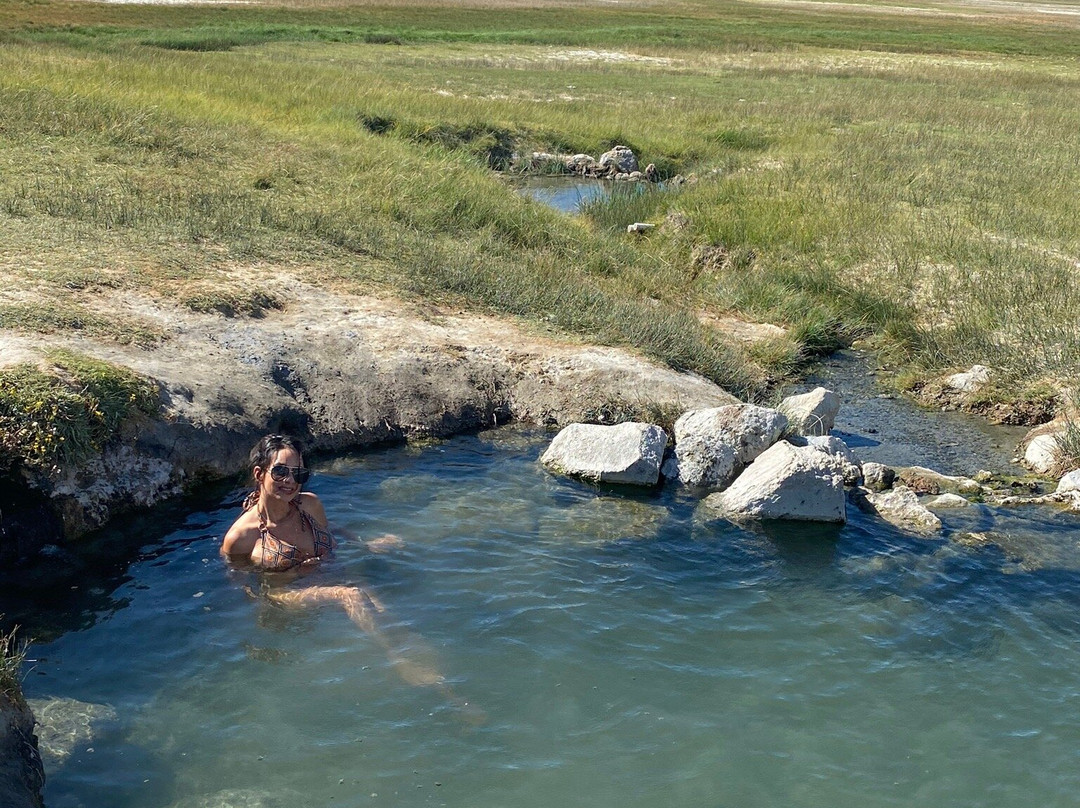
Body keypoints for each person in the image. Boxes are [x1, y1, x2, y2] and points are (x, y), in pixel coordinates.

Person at [221, 435, 475, 711]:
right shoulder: (241, 537)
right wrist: (273, 593)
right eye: (281, 471)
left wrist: (365, 544)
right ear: (260, 473)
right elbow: (240, 581)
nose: (290, 481)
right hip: (285, 592)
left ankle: (442, 682)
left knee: (387, 615)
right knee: (350, 596)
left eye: (299, 474)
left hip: (331, 574)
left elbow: (329, 530)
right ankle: (400, 661)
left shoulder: (310, 505)